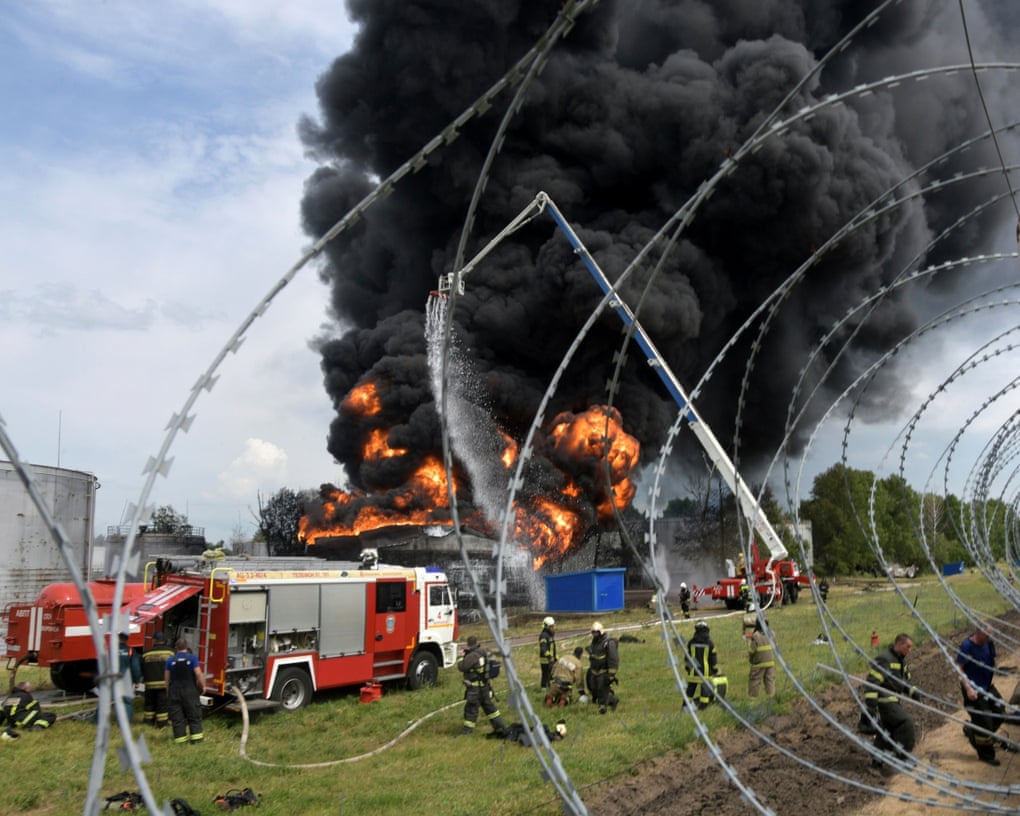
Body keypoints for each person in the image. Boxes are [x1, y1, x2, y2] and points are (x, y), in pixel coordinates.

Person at [956, 625, 1012, 766]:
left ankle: (975, 734)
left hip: (987, 687)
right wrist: (968, 689)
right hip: (973, 689)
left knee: (1000, 713)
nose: (989, 638)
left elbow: (991, 660)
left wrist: (991, 678)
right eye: (986, 635)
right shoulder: (967, 646)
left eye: (990, 635)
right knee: (984, 723)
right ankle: (986, 755)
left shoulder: (989, 643)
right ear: (978, 632)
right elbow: (959, 668)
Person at [863, 633, 918, 768]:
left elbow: (905, 682)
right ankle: (903, 757)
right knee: (905, 723)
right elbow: (872, 682)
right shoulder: (884, 659)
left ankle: (877, 760)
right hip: (884, 700)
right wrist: (870, 706)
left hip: (894, 700)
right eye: (908, 647)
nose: (909, 650)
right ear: (899, 645)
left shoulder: (902, 661)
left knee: (888, 729)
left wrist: (914, 692)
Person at [457, 636, 507, 736]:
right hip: (484, 686)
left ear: (468, 644)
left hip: (475, 688)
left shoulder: (472, 656)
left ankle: (467, 731)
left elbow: (462, 667)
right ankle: (500, 727)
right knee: (490, 708)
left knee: (471, 708)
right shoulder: (482, 652)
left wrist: (461, 657)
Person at [165, 638, 205, 744]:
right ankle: (196, 740)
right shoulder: (192, 658)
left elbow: (167, 678)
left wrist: (168, 690)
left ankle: (180, 741)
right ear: (186, 647)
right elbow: (198, 674)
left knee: (177, 718)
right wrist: (203, 686)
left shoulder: (170, 660)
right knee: (194, 715)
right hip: (190, 691)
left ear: (176, 648)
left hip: (174, 691)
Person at [685, 620, 722, 709]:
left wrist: (688, 668)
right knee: (704, 692)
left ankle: (685, 706)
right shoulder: (709, 643)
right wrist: (714, 669)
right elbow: (713, 659)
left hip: (693, 672)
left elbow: (687, 657)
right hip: (705, 673)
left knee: (690, 691)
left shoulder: (691, 642)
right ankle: (703, 707)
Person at [142, 631, 174, 728]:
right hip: (163, 684)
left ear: (154, 640)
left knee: (149, 705)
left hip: (149, 684)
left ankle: (148, 722)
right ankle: (162, 724)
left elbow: (141, 668)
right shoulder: (171, 653)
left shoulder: (146, 654)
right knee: (162, 705)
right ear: (164, 640)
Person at [587, 622, 619, 714]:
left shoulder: (608, 643)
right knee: (594, 689)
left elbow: (613, 658)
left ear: (600, 632)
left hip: (604, 671)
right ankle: (613, 700)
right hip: (594, 671)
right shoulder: (594, 642)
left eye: (596, 632)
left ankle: (602, 707)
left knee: (602, 689)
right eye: (593, 632)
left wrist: (612, 674)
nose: (594, 634)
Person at [747, 617, 776, 699]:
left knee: (755, 680)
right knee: (770, 680)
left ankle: (753, 698)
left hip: (758, 663)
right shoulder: (772, 634)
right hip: (770, 662)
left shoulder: (756, 636)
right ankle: (771, 696)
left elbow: (752, 650)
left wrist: (751, 659)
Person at [118, 632, 142, 719]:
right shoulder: (131, 650)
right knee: (127, 700)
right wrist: (137, 681)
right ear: (127, 639)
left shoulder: (111, 650)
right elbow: (135, 667)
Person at [539, 617, 557, 690]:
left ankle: (551, 687)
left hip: (551, 659)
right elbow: (543, 648)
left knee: (551, 674)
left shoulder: (550, 635)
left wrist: (555, 657)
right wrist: (549, 656)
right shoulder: (544, 635)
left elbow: (552, 647)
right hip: (545, 660)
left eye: (553, 626)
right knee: (546, 674)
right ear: (546, 627)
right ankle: (543, 688)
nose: (553, 628)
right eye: (551, 627)